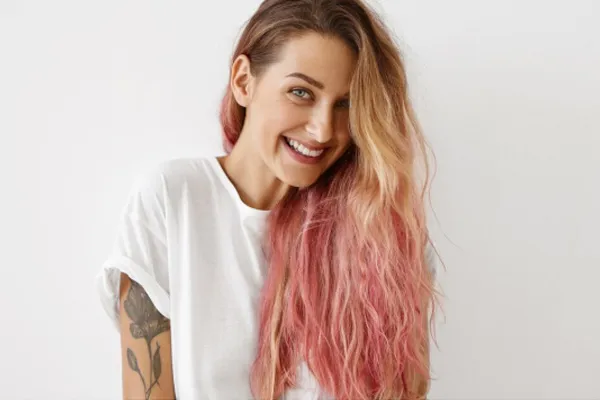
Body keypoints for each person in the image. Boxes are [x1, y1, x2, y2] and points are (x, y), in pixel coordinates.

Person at [95, 0, 440, 399]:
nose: (323, 129)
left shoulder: (383, 233)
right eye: (301, 92)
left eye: (345, 104)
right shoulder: (173, 201)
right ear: (244, 81)